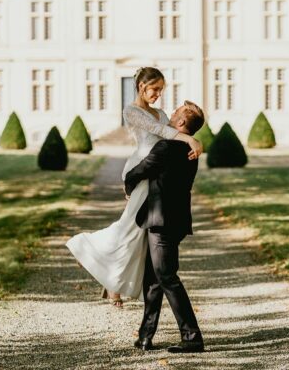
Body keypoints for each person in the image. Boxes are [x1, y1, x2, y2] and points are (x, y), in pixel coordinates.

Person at [66, 67, 202, 307]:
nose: (158, 94)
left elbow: (172, 134)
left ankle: (112, 282)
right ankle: (87, 250)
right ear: (142, 86)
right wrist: (191, 139)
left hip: (157, 173)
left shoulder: (160, 112)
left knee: (138, 234)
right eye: (155, 89)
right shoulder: (131, 111)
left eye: (161, 90)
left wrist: (191, 138)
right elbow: (161, 131)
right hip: (141, 172)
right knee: (130, 227)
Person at [126, 101, 205, 353]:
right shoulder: (191, 149)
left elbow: (141, 170)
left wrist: (128, 182)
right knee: (153, 279)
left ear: (181, 122)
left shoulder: (166, 147)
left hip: (162, 222)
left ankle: (192, 337)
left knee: (167, 277)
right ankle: (145, 336)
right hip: (175, 220)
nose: (170, 114)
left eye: (176, 112)